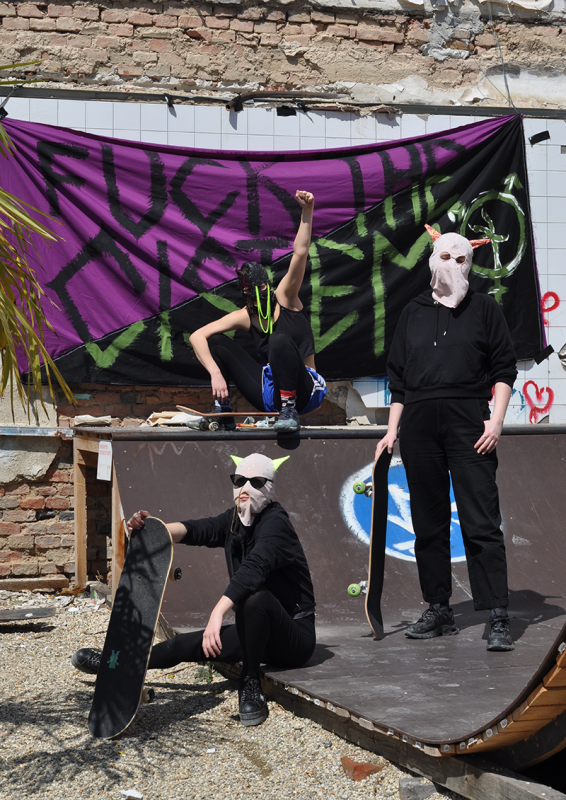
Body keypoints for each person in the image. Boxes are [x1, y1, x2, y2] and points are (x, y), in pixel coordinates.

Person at [72, 453, 316, 727]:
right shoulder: (235, 520)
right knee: (182, 646)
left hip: (293, 638)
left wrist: (217, 614)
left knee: (255, 597)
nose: (245, 489)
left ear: (268, 487)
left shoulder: (276, 524)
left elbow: (254, 569)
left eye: (256, 482)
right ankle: (115, 664)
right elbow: (200, 529)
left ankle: (249, 683)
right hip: (257, 633)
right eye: (239, 481)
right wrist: (153, 531)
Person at [375, 225, 517, 652]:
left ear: (470, 265)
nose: (452, 265)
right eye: (445, 257)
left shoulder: (484, 309)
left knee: (480, 520)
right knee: (428, 523)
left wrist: (495, 422)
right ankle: (439, 607)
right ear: (431, 259)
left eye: (461, 259)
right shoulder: (412, 312)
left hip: (468, 421)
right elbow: (398, 380)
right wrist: (391, 430)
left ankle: (497, 613)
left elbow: (504, 370)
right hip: (418, 424)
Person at [189, 190, 327, 434]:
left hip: (306, 391)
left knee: (279, 339)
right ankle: (223, 411)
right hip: (270, 392)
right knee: (218, 342)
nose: (259, 294)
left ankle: (289, 410)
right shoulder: (245, 315)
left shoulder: (285, 297)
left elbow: (300, 253)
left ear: (268, 285)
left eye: (262, 287)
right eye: (253, 291)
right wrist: (215, 373)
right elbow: (197, 336)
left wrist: (307, 212)